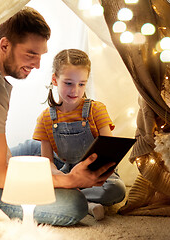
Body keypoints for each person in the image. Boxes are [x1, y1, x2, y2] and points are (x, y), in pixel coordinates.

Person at [0, 7, 115, 226]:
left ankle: (69, 175)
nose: (37, 65)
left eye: (40, 55)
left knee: (36, 148)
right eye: (31, 54)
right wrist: (69, 180)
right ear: (5, 45)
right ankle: (77, 186)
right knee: (74, 205)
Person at [32, 49, 126, 220]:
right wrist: (65, 179)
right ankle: (87, 204)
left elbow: (111, 150)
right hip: (68, 174)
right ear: (55, 80)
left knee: (117, 190)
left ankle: (77, 198)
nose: (75, 90)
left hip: (97, 175)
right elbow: (47, 163)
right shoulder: (45, 118)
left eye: (81, 84)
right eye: (68, 83)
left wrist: (89, 177)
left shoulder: (96, 109)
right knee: (43, 183)